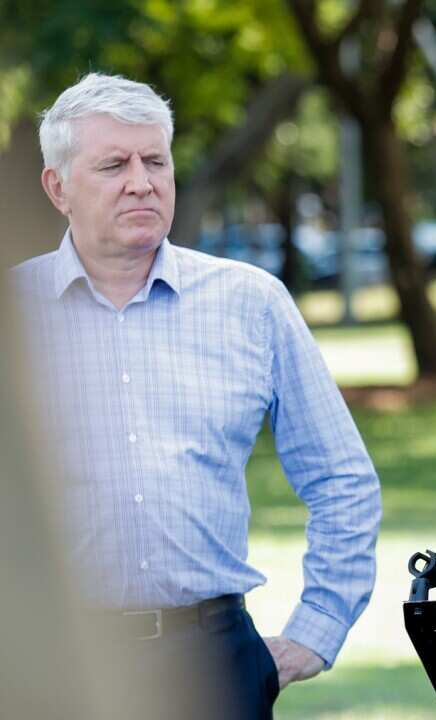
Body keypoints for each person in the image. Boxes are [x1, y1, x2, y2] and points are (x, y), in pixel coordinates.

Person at [10, 73, 381, 719]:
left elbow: (341, 477)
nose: (141, 181)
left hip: (211, 666)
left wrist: (314, 633)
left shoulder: (250, 302)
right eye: (113, 164)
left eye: (155, 160)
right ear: (57, 187)